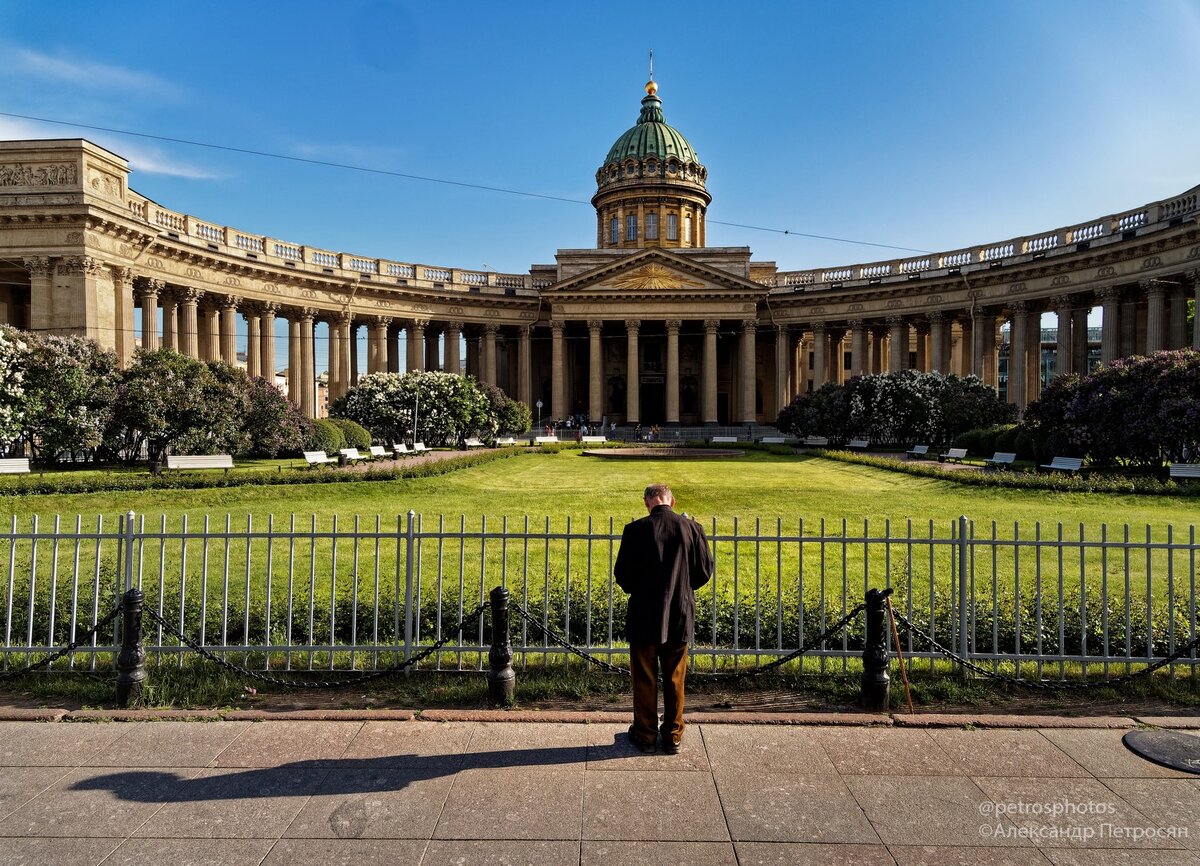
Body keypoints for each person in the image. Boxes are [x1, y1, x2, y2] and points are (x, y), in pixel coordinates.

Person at [614, 483, 713, 754]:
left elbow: (622, 574)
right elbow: (704, 571)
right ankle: (673, 734)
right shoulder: (692, 528)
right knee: (675, 677)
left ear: (647, 503)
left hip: (644, 613)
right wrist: (682, 586)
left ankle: (645, 734)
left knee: (644, 678)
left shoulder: (634, 530)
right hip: (679, 612)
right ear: (672, 501)